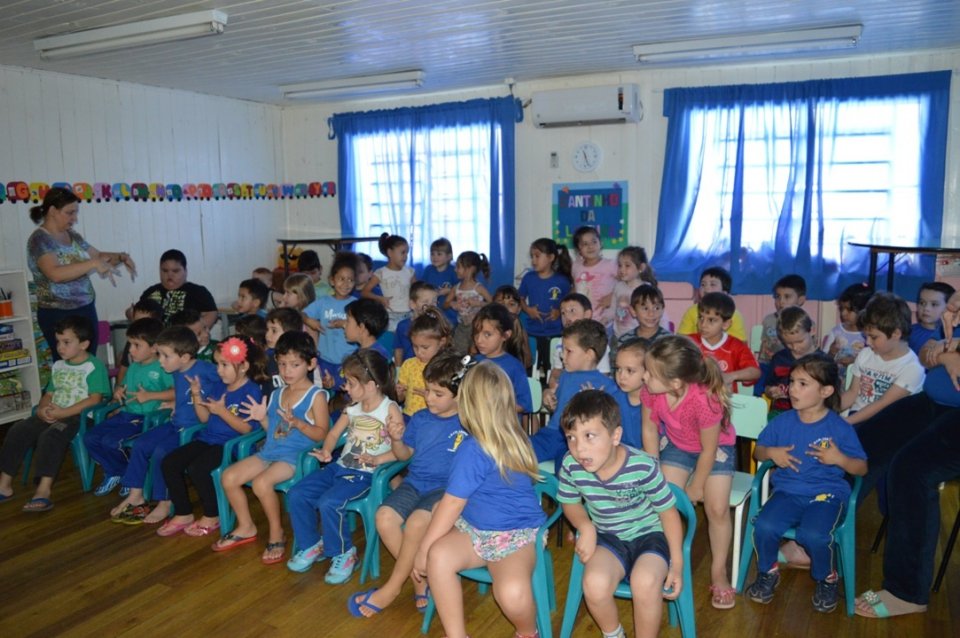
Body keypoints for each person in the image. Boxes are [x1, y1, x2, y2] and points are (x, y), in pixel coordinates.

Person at [412, 361, 546, 638]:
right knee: (441, 558)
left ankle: (526, 632)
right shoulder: (515, 435)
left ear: (468, 405)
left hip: (515, 536)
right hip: (476, 529)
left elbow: (452, 504)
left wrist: (422, 549)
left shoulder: (474, 449)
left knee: (511, 591)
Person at [853, 291, 960, 619]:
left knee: (911, 469)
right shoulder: (952, 321)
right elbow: (928, 352)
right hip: (935, 404)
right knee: (857, 441)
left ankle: (908, 592)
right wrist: (945, 354)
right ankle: (813, 538)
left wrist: (949, 352)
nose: (953, 307)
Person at [347, 352, 469, 617]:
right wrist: (397, 440)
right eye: (427, 391)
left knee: (415, 523)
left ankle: (391, 588)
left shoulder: (468, 423)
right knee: (384, 517)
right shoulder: (422, 418)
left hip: (444, 491)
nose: (428, 398)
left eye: (438, 394)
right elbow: (405, 456)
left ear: (459, 395)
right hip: (415, 483)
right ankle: (419, 580)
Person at [745, 353, 867, 613]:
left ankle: (827, 577)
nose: (792, 389)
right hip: (788, 492)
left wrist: (839, 458)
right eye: (792, 382)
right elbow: (758, 452)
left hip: (827, 495)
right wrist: (772, 454)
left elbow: (861, 467)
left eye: (802, 383)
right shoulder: (783, 421)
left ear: (825, 390)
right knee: (764, 526)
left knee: (813, 534)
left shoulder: (839, 427)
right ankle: (768, 571)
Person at [558, 390, 682, 638]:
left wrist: (676, 564)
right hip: (608, 536)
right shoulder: (571, 465)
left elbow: (668, 513)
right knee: (594, 584)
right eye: (571, 437)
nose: (579, 448)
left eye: (589, 436)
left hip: (650, 535)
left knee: (645, 582)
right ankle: (613, 634)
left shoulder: (643, 465)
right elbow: (569, 503)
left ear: (615, 435)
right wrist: (586, 527)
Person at [285, 350, 402, 583]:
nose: (345, 387)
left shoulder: (389, 409)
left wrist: (378, 460)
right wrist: (327, 450)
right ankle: (311, 544)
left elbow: (401, 450)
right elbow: (334, 433)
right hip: (339, 468)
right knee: (297, 493)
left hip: (365, 474)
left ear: (370, 385)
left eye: (350, 382)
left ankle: (344, 553)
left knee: (329, 502)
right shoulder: (352, 407)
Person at [213, 331, 329, 562]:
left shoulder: (316, 396)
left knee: (261, 483)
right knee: (228, 476)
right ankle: (246, 526)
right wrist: (262, 418)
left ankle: (277, 533)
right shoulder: (277, 393)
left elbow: (322, 434)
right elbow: (272, 430)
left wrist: (299, 423)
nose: (287, 370)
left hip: (294, 457)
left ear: (311, 364)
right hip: (270, 451)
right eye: (283, 364)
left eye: (295, 364)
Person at [641, 335, 736, 610]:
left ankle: (719, 572)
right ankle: (662, 561)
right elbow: (649, 429)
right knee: (663, 501)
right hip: (678, 444)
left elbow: (708, 449)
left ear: (675, 382)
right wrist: (653, 472)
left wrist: (697, 486)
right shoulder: (652, 389)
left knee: (717, 508)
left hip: (715, 448)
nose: (644, 376)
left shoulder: (704, 400)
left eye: (650, 372)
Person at [110, 325, 225, 524]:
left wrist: (219, 403)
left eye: (165, 356)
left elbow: (227, 381)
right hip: (175, 423)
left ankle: (165, 501)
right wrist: (174, 402)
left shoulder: (207, 370)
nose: (160, 361)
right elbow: (181, 394)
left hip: (195, 430)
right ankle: (136, 494)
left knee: (162, 452)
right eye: (160, 354)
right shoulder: (176, 370)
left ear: (185, 357)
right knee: (141, 444)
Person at [157, 337, 268, 537]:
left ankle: (212, 514)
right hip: (208, 438)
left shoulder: (250, 391)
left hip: (231, 445)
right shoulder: (219, 387)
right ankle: (183, 513)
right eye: (218, 364)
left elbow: (247, 430)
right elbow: (205, 418)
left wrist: (223, 411)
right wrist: (197, 395)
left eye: (224, 365)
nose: (219, 370)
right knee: (169, 462)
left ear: (243, 367)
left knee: (198, 468)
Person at [0, 316, 110, 511]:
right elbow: (49, 394)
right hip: (56, 412)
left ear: (84, 344)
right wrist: (43, 409)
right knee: (19, 429)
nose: (60, 347)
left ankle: (43, 490)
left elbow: (95, 400)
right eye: (58, 341)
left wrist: (64, 413)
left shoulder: (93, 366)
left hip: (80, 417)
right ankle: (4, 484)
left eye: (66, 342)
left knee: (51, 436)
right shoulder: (58, 366)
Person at [27, 187, 137, 358]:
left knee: (88, 360)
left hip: (85, 308)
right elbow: (54, 273)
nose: (74, 218)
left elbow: (98, 256)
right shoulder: (40, 239)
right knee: (68, 363)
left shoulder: (72, 235)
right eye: (70, 213)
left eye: (75, 213)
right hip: (58, 312)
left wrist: (121, 257)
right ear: (52, 211)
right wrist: (92, 263)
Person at [84, 317, 174, 497]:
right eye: (130, 344)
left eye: (136, 345)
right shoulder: (133, 367)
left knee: (111, 441)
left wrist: (150, 396)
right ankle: (119, 471)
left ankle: (127, 477)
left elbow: (175, 391)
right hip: (126, 414)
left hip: (145, 419)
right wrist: (119, 391)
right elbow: (123, 387)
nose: (130, 350)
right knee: (90, 437)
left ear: (154, 347)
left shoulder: (163, 367)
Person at [536, 319, 622, 465]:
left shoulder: (607, 386)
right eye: (563, 350)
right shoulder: (565, 376)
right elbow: (556, 406)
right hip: (552, 433)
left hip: (579, 441)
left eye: (568, 351)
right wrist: (549, 397)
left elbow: (611, 422)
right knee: (517, 452)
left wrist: (594, 403)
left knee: (567, 470)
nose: (563, 355)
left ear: (589, 354)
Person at [839, 292, 925, 425]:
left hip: (886, 422)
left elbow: (883, 403)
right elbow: (852, 393)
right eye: (866, 336)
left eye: (873, 337)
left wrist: (845, 423)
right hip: (856, 416)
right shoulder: (866, 354)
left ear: (896, 333)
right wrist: (825, 412)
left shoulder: (913, 367)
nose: (867, 342)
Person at [302, 253, 358, 387]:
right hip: (324, 358)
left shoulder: (356, 304)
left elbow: (362, 327)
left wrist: (345, 324)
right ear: (332, 280)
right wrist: (309, 321)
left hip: (348, 360)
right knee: (324, 387)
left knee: (347, 390)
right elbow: (301, 314)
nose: (346, 284)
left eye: (350, 280)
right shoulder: (323, 302)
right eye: (341, 279)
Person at [519, 237, 573, 377]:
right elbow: (520, 298)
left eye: (537, 256)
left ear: (551, 257)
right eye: (532, 256)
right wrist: (528, 310)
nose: (533, 260)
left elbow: (570, 301)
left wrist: (560, 312)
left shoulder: (561, 280)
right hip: (532, 332)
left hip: (555, 332)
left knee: (552, 367)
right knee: (531, 368)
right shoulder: (528, 278)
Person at [688, 292, 760, 393]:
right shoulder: (689, 342)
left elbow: (755, 372)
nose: (703, 324)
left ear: (726, 324)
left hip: (725, 402)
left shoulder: (736, 346)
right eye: (701, 317)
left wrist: (731, 376)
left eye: (711, 320)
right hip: (693, 401)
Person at [755, 307, 821, 416]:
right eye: (788, 343)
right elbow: (767, 386)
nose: (795, 347)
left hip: (812, 414)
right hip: (780, 412)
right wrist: (771, 391)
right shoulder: (779, 358)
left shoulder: (822, 361)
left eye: (800, 341)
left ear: (812, 330)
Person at [471, 303, 533, 413]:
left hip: (502, 426)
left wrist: (496, 409)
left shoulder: (514, 366)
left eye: (487, 334)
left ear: (506, 335)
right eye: (476, 333)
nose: (479, 340)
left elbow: (524, 404)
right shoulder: (472, 362)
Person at [133, 249, 216, 328]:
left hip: (185, 340)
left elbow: (211, 314)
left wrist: (191, 334)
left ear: (185, 271)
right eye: (165, 271)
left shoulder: (199, 292)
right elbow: (136, 315)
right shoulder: (150, 292)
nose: (169, 275)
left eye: (175, 271)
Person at [397, 307, 452, 419]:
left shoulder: (446, 367)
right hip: (408, 415)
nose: (419, 352)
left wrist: (430, 395)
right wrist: (399, 393)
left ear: (442, 342)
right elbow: (401, 399)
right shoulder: (409, 364)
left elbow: (453, 401)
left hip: (434, 417)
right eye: (415, 346)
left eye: (425, 347)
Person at [548, 293, 611, 389]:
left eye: (572, 311)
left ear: (587, 314)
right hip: (568, 385)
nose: (566, 316)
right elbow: (557, 369)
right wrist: (552, 381)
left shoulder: (597, 341)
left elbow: (604, 375)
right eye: (563, 313)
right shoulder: (562, 341)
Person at [677, 266, 747, 341]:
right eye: (703, 285)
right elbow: (682, 339)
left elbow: (741, 344)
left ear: (724, 292)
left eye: (712, 284)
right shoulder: (692, 311)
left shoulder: (733, 315)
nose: (706, 288)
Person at [363, 233, 416, 331]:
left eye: (407, 253)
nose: (405, 256)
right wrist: (380, 298)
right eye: (402, 252)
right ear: (390, 253)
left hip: (409, 314)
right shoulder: (381, 273)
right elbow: (365, 292)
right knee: (392, 344)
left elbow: (416, 291)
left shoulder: (410, 272)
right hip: (391, 316)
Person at [822, 282, 873, 379]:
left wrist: (855, 362)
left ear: (864, 310)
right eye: (841, 308)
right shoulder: (836, 332)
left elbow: (874, 363)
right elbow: (823, 361)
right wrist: (831, 353)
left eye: (849, 310)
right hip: (837, 382)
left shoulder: (869, 336)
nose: (843, 313)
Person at [446, 251, 493, 353]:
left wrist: (479, 304)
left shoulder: (478, 288)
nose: (455, 270)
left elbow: (493, 304)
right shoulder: (456, 288)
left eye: (458, 267)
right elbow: (445, 304)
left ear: (470, 269)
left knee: (474, 352)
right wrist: (452, 304)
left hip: (477, 328)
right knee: (458, 352)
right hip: (461, 327)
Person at [571, 226, 617, 327]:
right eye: (585, 244)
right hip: (583, 321)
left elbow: (626, 282)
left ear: (601, 243)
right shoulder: (576, 266)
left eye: (594, 242)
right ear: (578, 249)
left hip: (606, 321)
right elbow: (575, 288)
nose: (590, 246)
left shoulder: (610, 265)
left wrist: (613, 297)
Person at [758, 275, 809, 366]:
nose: (781, 302)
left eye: (787, 297)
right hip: (768, 365)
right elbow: (764, 346)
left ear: (800, 300)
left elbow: (809, 350)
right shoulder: (769, 320)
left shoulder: (805, 322)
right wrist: (761, 362)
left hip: (792, 365)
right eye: (778, 296)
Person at [115, 298, 163, 385]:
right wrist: (119, 389)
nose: (140, 325)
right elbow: (123, 369)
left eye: (145, 321)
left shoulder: (163, 361)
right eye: (137, 321)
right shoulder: (132, 344)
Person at [611, 246, 655, 340]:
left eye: (627, 265)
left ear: (641, 267)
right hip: (618, 337)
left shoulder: (646, 289)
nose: (622, 270)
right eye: (620, 265)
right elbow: (612, 308)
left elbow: (656, 314)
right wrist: (603, 320)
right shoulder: (618, 286)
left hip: (638, 338)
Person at [614, 338, 649, 449]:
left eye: (630, 370)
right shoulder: (613, 399)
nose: (621, 376)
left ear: (648, 371)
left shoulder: (658, 402)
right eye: (618, 368)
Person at [394, 281, 439, 367]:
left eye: (434, 302)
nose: (430, 306)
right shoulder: (402, 326)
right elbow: (398, 349)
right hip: (409, 370)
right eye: (425, 302)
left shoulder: (437, 325)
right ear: (412, 304)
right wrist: (398, 369)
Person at [908, 281, 957, 354]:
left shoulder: (954, 336)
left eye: (934, 304)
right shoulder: (907, 331)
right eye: (922, 303)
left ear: (949, 308)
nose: (926, 308)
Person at [618, 284, 671, 351]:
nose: (651, 314)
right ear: (633, 311)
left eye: (656, 308)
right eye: (645, 308)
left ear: (662, 309)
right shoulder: (625, 340)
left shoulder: (669, 341)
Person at [421, 237, 458, 326]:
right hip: (431, 310)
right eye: (432, 254)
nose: (435, 257)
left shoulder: (454, 271)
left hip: (449, 312)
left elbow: (461, 289)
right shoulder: (428, 270)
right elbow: (422, 287)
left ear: (449, 256)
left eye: (439, 254)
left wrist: (449, 291)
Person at [264, 307, 303, 391]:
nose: (267, 335)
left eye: (274, 330)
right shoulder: (265, 358)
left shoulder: (303, 359)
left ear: (289, 333)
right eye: (267, 330)